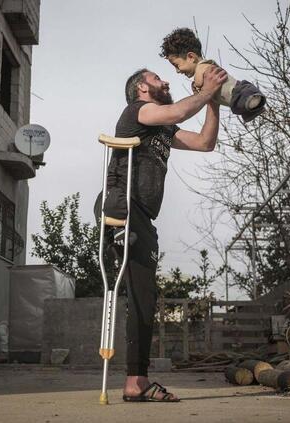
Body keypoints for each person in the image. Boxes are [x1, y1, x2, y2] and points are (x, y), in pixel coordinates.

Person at [95, 65, 227, 402]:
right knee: (139, 295)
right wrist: (206, 90)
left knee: (145, 296)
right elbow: (182, 108)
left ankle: (136, 381)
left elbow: (204, 142)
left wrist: (214, 103)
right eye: (157, 78)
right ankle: (134, 382)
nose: (165, 81)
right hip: (122, 204)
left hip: (142, 217)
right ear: (141, 87)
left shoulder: (164, 128)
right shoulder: (139, 111)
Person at [159, 27, 266, 122]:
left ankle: (253, 102)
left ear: (191, 57)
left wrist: (196, 90)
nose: (177, 71)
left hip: (239, 92)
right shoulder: (207, 68)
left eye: (177, 65)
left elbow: (199, 83)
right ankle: (255, 106)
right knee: (248, 105)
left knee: (247, 100)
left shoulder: (202, 67)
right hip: (237, 99)